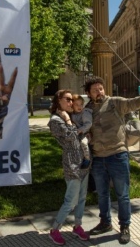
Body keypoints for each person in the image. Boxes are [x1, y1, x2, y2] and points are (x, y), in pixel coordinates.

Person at [84, 76, 140, 244]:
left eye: (101, 88)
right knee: (102, 194)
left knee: (122, 195)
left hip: (117, 155)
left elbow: (132, 103)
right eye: (95, 90)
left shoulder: (115, 102)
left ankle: (124, 226)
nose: (99, 91)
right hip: (98, 158)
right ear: (88, 93)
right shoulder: (87, 109)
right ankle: (105, 222)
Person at [47, 89, 90, 245]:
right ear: (58, 100)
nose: (71, 102)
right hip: (72, 164)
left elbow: (82, 134)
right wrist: (68, 121)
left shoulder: (72, 117)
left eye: (72, 99)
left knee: (82, 198)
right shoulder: (55, 121)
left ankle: (77, 226)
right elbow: (72, 138)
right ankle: (55, 229)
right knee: (71, 200)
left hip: (83, 162)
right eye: (68, 99)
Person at [71, 94, 92, 168]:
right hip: (77, 133)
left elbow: (89, 123)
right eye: (76, 104)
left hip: (85, 133)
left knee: (84, 143)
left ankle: (87, 159)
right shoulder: (72, 114)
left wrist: (80, 130)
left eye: (81, 104)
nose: (79, 107)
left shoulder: (85, 113)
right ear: (72, 105)